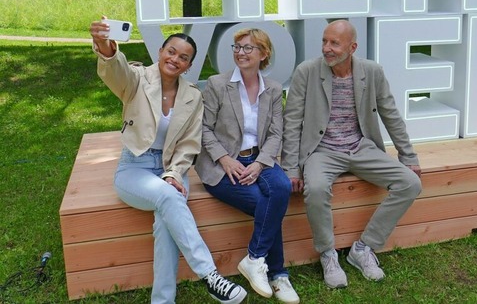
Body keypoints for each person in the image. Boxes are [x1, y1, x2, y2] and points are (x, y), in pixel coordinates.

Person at [89, 18, 247, 304]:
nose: (175, 59)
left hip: (171, 168)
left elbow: (189, 143)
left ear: (189, 66)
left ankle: (162, 301)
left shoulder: (192, 96)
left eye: (183, 57)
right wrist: (105, 48)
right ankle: (210, 276)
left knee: (165, 219)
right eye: (171, 52)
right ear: (160, 51)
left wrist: (174, 173)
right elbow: (116, 72)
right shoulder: (137, 78)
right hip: (133, 168)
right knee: (168, 198)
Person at [281, 19, 423, 289]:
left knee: (410, 183)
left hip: (361, 147)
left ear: (352, 46)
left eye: (334, 43)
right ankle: (327, 254)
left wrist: (408, 156)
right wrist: (290, 168)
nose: (327, 48)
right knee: (318, 188)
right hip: (321, 150)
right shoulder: (307, 71)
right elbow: (292, 121)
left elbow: (390, 114)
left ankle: (363, 248)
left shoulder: (372, 72)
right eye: (324, 41)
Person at [196, 28, 299, 304]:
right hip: (222, 164)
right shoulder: (217, 84)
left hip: (259, 158)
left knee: (280, 188)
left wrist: (260, 163)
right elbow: (203, 129)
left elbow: (277, 133)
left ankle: (254, 259)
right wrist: (224, 158)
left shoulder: (274, 89)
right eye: (237, 47)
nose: (240, 53)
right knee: (263, 205)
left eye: (248, 48)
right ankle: (278, 274)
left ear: (263, 54)